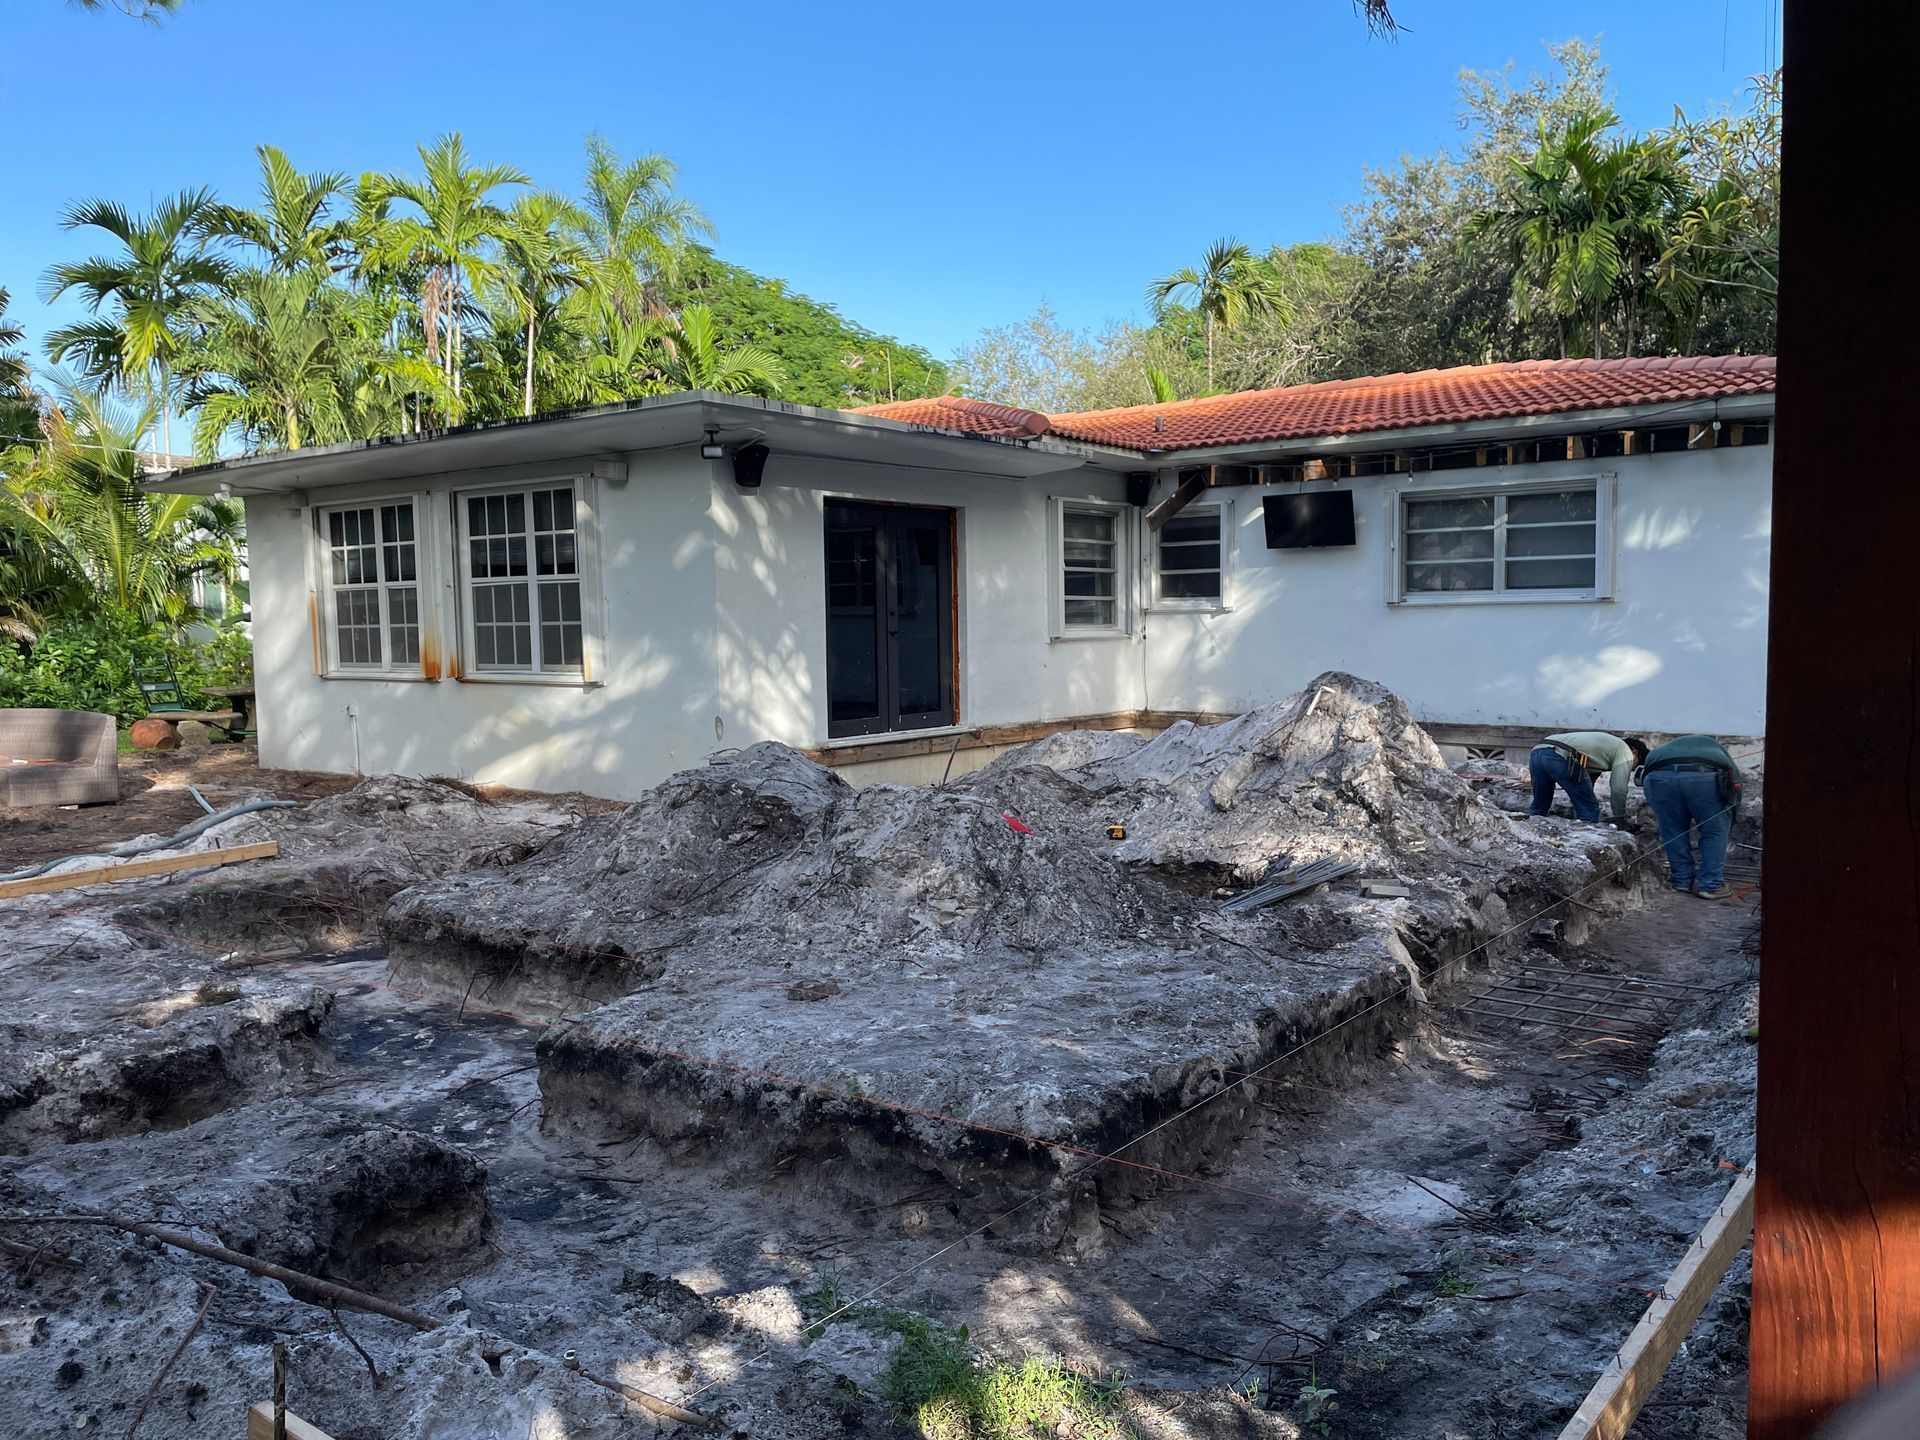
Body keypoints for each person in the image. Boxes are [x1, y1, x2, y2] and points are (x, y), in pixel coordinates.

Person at [1639, 733, 1743, 899]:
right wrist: (1729, 818)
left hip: (1657, 777)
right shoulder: (1717, 749)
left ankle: (1681, 881)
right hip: (1706, 778)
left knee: (1672, 830)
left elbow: (1644, 775)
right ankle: (1711, 885)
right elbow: (1735, 787)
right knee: (1714, 831)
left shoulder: (1669, 747)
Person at [1528, 731, 1647, 827]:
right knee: (1589, 808)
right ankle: (1585, 837)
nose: (1631, 768)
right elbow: (1618, 789)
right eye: (1635, 764)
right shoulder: (1625, 751)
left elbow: (1587, 781)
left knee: (1541, 803)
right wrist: (1620, 818)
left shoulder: (1606, 749)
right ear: (1634, 752)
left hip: (1539, 750)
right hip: (1560, 755)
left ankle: (1531, 829)